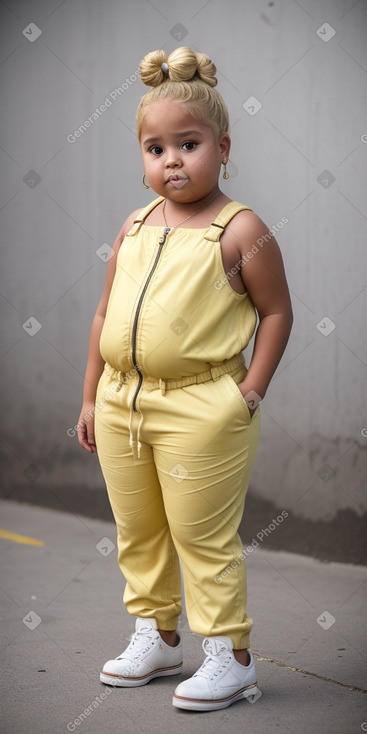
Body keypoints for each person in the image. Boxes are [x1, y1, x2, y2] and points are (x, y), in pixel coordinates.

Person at [77, 46, 293, 712]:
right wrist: (89, 396)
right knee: (139, 530)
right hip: (121, 403)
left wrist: (247, 393)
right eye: (153, 148)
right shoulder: (135, 226)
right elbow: (105, 313)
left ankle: (230, 657)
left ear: (222, 148)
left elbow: (276, 311)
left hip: (203, 408)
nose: (170, 160)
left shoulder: (239, 229)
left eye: (188, 144)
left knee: (201, 536)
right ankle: (157, 634)